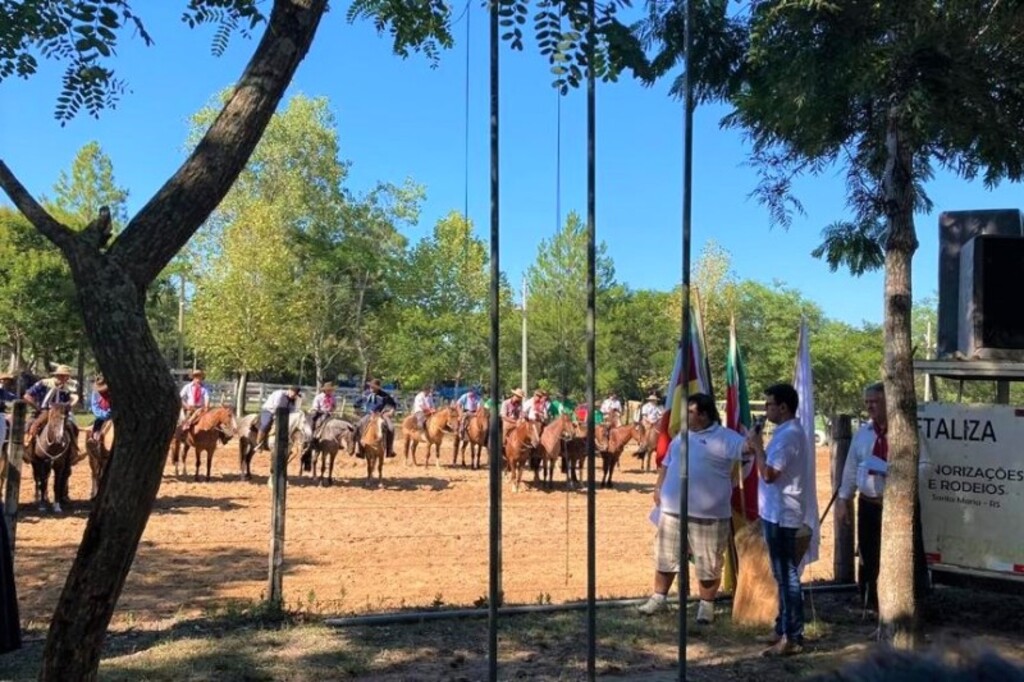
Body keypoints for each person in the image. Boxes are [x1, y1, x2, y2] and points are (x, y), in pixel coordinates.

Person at [638, 393, 751, 623]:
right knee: (665, 556)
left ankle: (706, 606)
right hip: (672, 511)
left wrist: (755, 437)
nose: (685, 416)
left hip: (709, 515)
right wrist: (658, 487)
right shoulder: (681, 437)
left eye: (690, 412)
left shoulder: (726, 438)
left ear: (704, 415)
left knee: (709, 562)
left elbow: (748, 449)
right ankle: (659, 598)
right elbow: (667, 463)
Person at [749, 382, 810, 657]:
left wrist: (758, 448)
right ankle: (782, 627)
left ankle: (793, 636)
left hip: (783, 514)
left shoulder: (789, 436)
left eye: (769, 404)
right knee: (782, 574)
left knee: (786, 576)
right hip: (775, 511)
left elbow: (769, 474)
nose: (766, 410)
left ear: (783, 407)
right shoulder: (785, 432)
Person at [836, 382, 887, 611]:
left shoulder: (905, 432)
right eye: (867, 402)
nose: (869, 406)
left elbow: (925, 466)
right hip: (868, 504)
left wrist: (895, 471)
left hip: (895, 506)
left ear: (888, 401)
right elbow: (850, 469)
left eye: (874, 401)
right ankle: (868, 602)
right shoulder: (863, 435)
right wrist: (843, 499)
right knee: (867, 553)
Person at [23, 364, 79, 450]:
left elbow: (67, 402)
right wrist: (38, 407)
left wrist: (68, 406)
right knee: (32, 424)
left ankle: (73, 449)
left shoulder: (66, 389)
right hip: (43, 410)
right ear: (56, 375)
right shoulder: (44, 383)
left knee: (72, 427)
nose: (63, 378)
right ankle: (28, 446)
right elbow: (27, 396)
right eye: (61, 376)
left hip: (60, 413)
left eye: (65, 376)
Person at [354, 379, 398, 458]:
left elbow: (393, 404)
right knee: (358, 426)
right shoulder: (366, 394)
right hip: (368, 414)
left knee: (391, 428)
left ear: (378, 388)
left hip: (380, 415)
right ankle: (359, 449)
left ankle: (390, 449)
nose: (371, 388)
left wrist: (391, 411)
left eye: (373, 387)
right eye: (371, 387)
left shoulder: (384, 395)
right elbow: (356, 403)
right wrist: (358, 411)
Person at [256, 385, 302, 451]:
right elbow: (276, 406)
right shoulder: (280, 394)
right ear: (289, 390)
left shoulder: (294, 399)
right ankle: (259, 443)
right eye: (292, 393)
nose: (293, 395)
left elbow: (293, 410)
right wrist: (277, 416)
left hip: (283, 414)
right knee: (266, 423)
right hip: (269, 410)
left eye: (295, 394)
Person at [179, 369, 211, 433]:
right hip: (189, 407)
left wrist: (206, 406)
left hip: (200, 408)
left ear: (202, 378)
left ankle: (221, 434)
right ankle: (182, 428)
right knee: (183, 415)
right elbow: (180, 397)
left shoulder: (204, 388)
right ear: (193, 378)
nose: (198, 379)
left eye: (200, 377)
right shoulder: (187, 387)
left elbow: (207, 397)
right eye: (196, 377)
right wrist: (186, 405)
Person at [89, 376, 112, 442]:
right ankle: (95, 439)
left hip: (115, 414)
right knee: (98, 423)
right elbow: (95, 408)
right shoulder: (95, 393)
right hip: (102, 415)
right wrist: (105, 414)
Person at [0, 372, 18, 455]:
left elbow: (16, 401)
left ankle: (14, 445)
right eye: (3, 380)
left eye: (7, 380)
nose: (5, 382)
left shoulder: (7, 393)